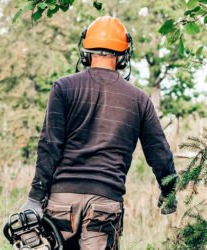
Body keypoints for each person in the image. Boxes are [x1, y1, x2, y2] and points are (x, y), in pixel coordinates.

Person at [21, 16, 177, 250]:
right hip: (105, 202)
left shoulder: (63, 88)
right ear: (124, 55)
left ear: (85, 50)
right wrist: (169, 191)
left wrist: (34, 198)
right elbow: (160, 154)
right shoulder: (139, 99)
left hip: (62, 200)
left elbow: (49, 145)